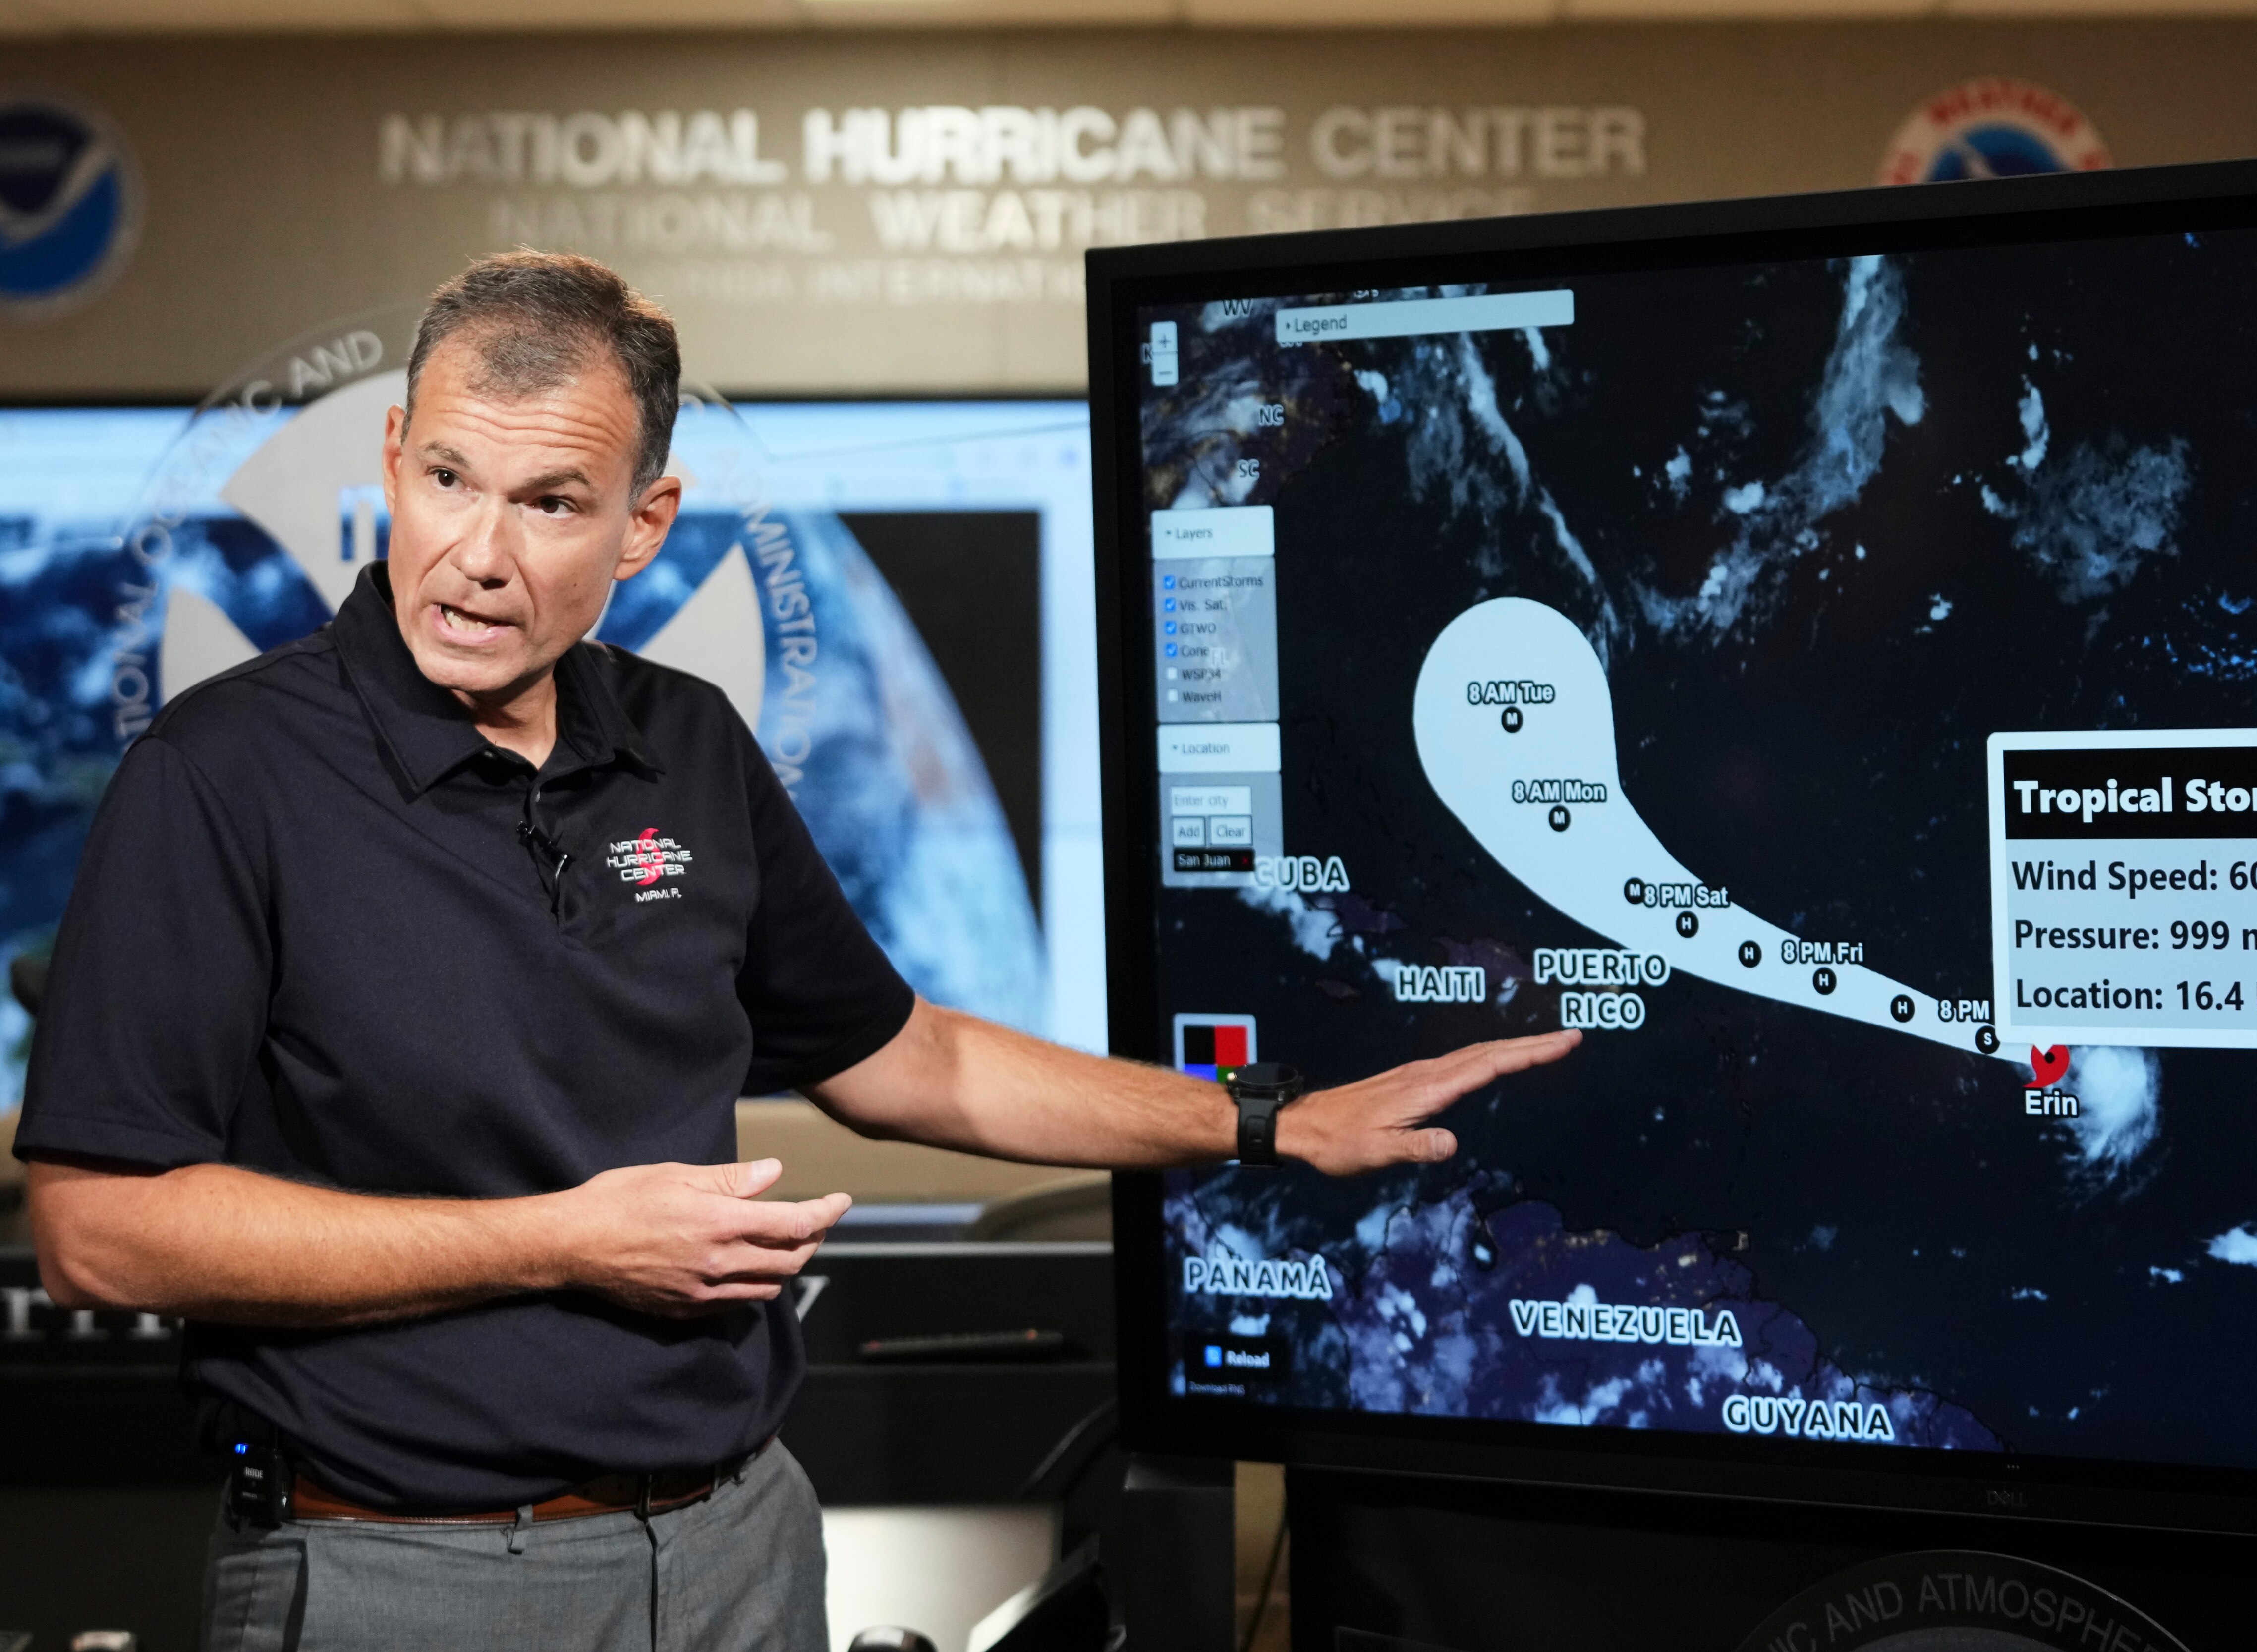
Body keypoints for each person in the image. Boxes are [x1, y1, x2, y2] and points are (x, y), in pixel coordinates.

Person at [15, 251, 1578, 1651]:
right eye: (447, 480)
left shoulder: (690, 743)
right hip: (401, 1574)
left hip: (738, 1548)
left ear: (643, 525)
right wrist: (561, 1240)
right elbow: (102, 1230)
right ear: (391, 462)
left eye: (550, 503)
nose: (478, 554)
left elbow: (912, 1058)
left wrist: (1266, 1122)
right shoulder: (221, 776)